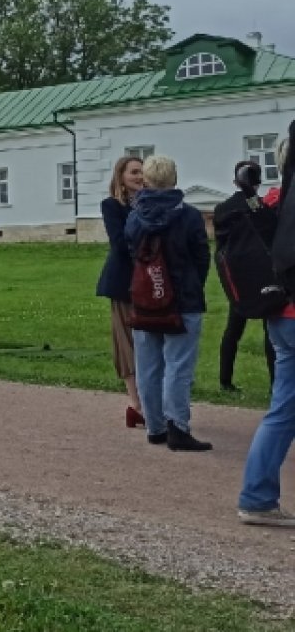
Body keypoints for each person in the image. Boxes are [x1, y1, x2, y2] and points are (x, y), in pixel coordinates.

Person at [125, 155, 212, 451]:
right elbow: (202, 257)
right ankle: (178, 426)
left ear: (146, 181)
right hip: (183, 300)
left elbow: (130, 253)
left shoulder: (135, 216)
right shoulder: (188, 216)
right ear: (174, 180)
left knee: (147, 365)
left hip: (144, 300)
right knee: (178, 365)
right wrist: (192, 285)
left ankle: (155, 427)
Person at [240, 136, 295, 525]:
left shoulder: (276, 200)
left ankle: (258, 496)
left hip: (281, 308)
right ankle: (257, 496)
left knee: (282, 410)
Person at [214, 160, 277, 392]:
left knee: (233, 329)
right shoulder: (261, 207)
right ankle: (274, 383)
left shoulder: (223, 208)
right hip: (262, 272)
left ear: (235, 180)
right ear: (258, 181)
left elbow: (219, 246)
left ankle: (225, 379)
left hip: (237, 274)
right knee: (269, 330)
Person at [96, 155, 147, 428]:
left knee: (151, 340)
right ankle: (136, 403)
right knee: (126, 342)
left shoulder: (152, 202)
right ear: (121, 177)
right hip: (124, 281)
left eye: (142, 172)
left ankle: (151, 401)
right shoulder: (112, 206)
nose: (139, 177)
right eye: (134, 172)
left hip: (151, 282)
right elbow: (119, 243)